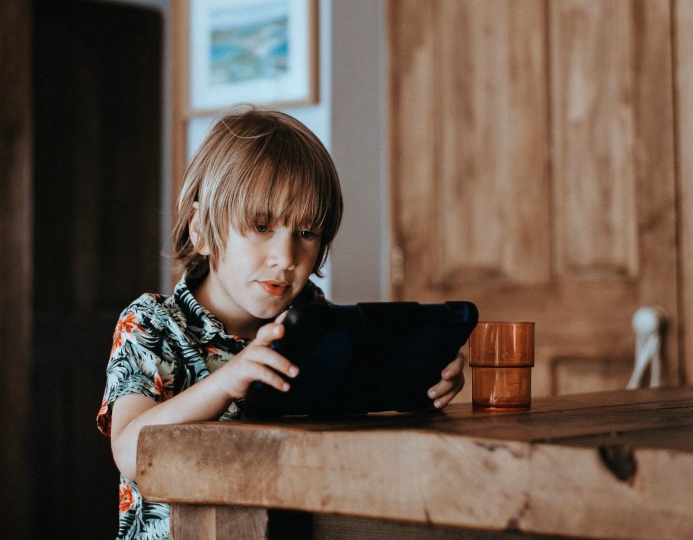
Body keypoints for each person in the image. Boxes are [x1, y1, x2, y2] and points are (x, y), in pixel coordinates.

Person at [96, 106, 465, 539]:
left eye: (306, 234)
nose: (286, 258)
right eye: (260, 226)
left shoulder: (312, 322)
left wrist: (419, 379)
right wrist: (227, 381)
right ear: (201, 229)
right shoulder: (152, 323)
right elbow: (128, 450)